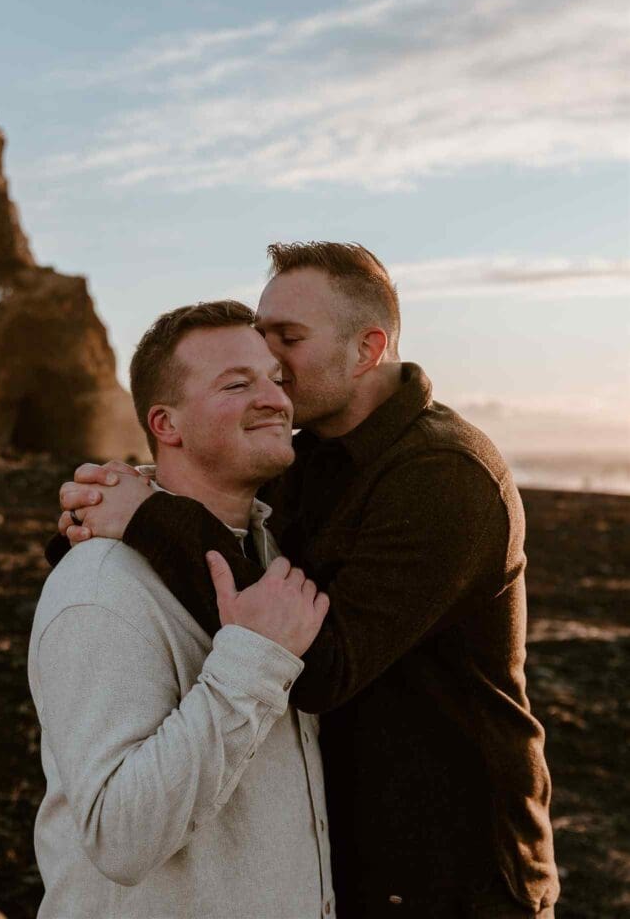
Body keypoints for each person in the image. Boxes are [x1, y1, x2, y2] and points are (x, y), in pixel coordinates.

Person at [55, 242, 559, 918]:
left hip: (457, 873)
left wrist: (150, 518)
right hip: (353, 863)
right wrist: (100, 517)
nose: (273, 369)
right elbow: (225, 519)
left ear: (367, 348)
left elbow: (319, 665)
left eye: (288, 340)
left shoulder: (445, 477)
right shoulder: (305, 453)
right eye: (260, 345)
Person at [30, 300, 335, 919]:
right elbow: (119, 835)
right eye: (236, 383)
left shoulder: (274, 551)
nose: (276, 399)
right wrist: (253, 663)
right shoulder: (100, 586)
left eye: (275, 379)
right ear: (166, 425)